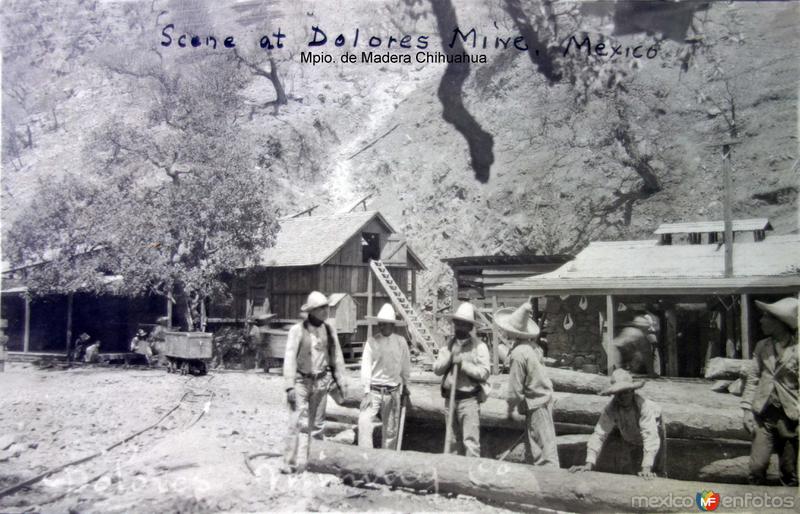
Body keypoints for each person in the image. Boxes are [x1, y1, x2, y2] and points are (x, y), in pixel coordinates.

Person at [282, 291, 347, 473]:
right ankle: (290, 462)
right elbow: (289, 358)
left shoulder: (329, 330)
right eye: (321, 309)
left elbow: (336, 357)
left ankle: (315, 462)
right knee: (296, 422)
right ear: (311, 311)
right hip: (301, 381)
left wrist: (341, 382)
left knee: (318, 425)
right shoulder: (297, 331)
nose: (325, 311)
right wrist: (289, 386)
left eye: (326, 307)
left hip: (321, 381)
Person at [741, 297, 798, 486]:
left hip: (790, 417)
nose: (761, 321)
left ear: (780, 323)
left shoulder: (797, 350)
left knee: (789, 471)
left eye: (766, 317)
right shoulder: (762, 346)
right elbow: (753, 379)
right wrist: (747, 409)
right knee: (756, 467)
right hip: (764, 415)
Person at [569, 369, 665, 478]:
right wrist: (589, 463)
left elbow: (650, 436)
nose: (622, 396)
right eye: (618, 393)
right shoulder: (611, 408)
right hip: (630, 438)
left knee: (656, 471)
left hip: (654, 435)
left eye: (625, 392)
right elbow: (599, 434)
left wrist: (646, 468)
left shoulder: (644, 406)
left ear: (632, 391)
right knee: (632, 472)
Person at [496, 302, 559, 467]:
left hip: (537, 403)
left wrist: (510, 410)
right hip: (541, 401)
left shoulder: (518, 354)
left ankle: (553, 485)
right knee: (536, 449)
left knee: (545, 453)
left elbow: (515, 388)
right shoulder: (533, 347)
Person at [433, 302, 490, 458]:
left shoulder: (480, 347)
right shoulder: (447, 346)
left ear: (470, 327)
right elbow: (437, 370)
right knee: (451, 443)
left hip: (469, 401)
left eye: (464, 324)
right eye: (458, 323)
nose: (460, 327)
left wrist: (463, 365)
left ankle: (471, 480)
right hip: (450, 401)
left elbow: (485, 373)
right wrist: (450, 358)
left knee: (470, 443)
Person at [358, 303, 411, 449]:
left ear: (392, 326)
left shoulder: (401, 342)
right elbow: (366, 367)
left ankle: (387, 460)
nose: (381, 327)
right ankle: (365, 456)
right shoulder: (372, 341)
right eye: (380, 324)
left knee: (391, 431)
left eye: (385, 324)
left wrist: (406, 385)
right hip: (374, 391)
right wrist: (366, 391)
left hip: (392, 392)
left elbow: (406, 365)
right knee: (364, 422)